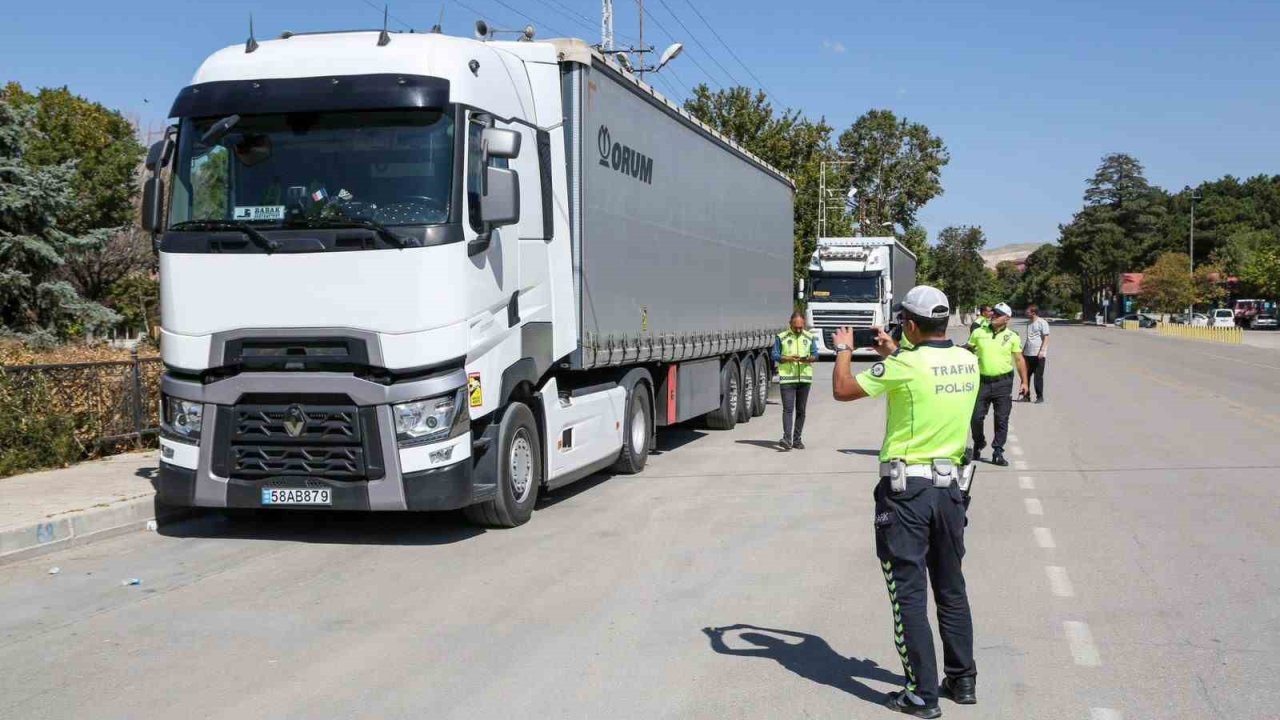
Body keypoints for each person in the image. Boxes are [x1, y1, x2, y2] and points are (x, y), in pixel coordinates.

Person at [831, 286, 980, 718]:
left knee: (908, 594)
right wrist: (895, 349)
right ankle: (962, 678)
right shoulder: (966, 360)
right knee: (951, 587)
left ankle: (921, 695)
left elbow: (843, 389)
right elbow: (925, 370)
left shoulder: (904, 365)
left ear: (911, 325)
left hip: (907, 495)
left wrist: (845, 349)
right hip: (951, 492)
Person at [966, 302, 1027, 466]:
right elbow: (968, 351)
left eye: (998, 314)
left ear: (1007, 318)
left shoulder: (1012, 336)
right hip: (982, 382)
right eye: (993, 313)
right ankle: (979, 442)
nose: (993, 316)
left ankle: (998, 451)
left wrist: (1025, 382)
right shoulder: (978, 332)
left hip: (1003, 382)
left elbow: (1019, 360)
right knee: (976, 417)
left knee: (1001, 419)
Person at [772, 311, 818, 450]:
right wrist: (787, 358)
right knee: (788, 409)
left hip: (804, 379)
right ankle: (787, 438)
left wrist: (811, 358)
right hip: (787, 379)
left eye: (800, 327)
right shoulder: (782, 337)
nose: (798, 330)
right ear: (790, 324)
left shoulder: (809, 337)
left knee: (801, 410)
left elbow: (815, 354)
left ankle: (797, 439)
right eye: (795, 327)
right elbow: (774, 354)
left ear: (804, 325)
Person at [1021, 305, 1051, 403]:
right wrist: (1023, 351)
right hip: (1028, 353)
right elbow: (1029, 338)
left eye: (1028, 312)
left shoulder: (1042, 322)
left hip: (1038, 354)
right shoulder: (1029, 323)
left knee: (1038, 376)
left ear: (1033, 313)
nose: (1026, 313)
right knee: (1025, 376)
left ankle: (1039, 396)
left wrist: (1042, 350)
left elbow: (1046, 337)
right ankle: (1026, 396)